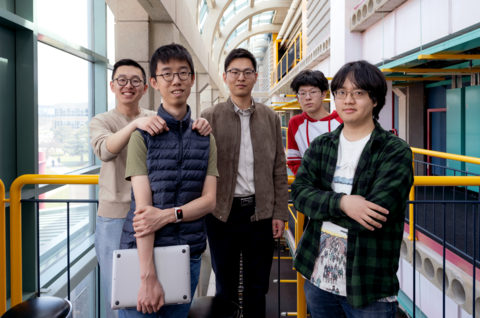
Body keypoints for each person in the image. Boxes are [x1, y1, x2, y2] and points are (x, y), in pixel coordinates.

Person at [89, 58, 211, 318]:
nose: (128, 85)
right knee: (122, 292)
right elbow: (104, 150)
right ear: (112, 85)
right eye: (122, 80)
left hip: (154, 215)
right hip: (116, 214)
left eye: (135, 81)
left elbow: (179, 132)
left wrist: (199, 125)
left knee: (166, 293)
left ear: (146, 87)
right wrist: (135, 125)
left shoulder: (154, 118)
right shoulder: (104, 120)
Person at [291, 60, 414, 318]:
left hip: (368, 284)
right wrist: (344, 204)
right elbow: (300, 194)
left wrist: (322, 203)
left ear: (376, 100)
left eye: (358, 93)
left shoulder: (394, 150)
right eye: (341, 92)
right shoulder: (322, 145)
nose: (348, 100)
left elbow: (376, 213)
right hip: (318, 279)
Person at [118, 44, 218, 318]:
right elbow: (143, 211)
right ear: (154, 82)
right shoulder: (142, 136)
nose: (176, 80)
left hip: (189, 253)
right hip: (142, 256)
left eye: (183, 73)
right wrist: (147, 276)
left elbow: (209, 201)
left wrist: (168, 216)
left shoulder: (205, 137)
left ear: (192, 79)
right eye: (167, 74)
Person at [201, 48, 288, 317]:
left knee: (257, 287)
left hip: (260, 213)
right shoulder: (210, 117)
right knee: (225, 289)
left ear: (255, 76)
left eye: (247, 72)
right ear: (226, 77)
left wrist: (280, 212)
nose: (241, 77)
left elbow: (279, 168)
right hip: (221, 214)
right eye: (235, 72)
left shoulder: (270, 117)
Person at [287, 69, 342, 175]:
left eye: (313, 92)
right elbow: (293, 160)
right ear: (297, 98)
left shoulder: (341, 121)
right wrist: (307, 180)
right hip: (310, 187)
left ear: (324, 94)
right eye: (302, 93)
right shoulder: (295, 123)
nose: (308, 97)